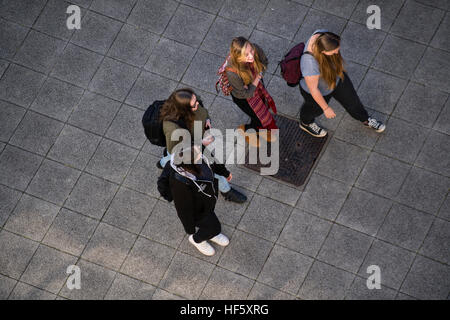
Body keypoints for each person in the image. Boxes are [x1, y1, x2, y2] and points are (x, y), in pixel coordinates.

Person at [157, 88, 247, 203]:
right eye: (194, 104)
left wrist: (207, 119)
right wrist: (202, 143)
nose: (197, 104)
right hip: (190, 151)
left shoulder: (192, 100)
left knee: (169, 158)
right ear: (183, 109)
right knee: (210, 169)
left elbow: (202, 109)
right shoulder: (172, 128)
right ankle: (226, 190)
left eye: (196, 100)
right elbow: (178, 152)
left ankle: (162, 162)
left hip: (195, 143)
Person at [299, 30, 385, 137]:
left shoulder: (322, 34)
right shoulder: (309, 64)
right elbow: (313, 90)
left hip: (335, 78)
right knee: (314, 109)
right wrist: (326, 108)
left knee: (353, 102)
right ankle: (306, 123)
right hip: (318, 91)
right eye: (334, 51)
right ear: (323, 51)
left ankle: (365, 119)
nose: (336, 52)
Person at [157, 145, 229, 256]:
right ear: (191, 163)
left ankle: (209, 232)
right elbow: (183, 209)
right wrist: (190, 229)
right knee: (214, 227)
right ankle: (197, 239)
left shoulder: (192, 158)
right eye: (197, 153)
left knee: (210, 219)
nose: (199, 149)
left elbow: (213, 163)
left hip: (206, 200)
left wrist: (225, 173)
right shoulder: (181, 184)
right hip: (197, 210)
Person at [224, 37, 278, 147]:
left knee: (263, 109)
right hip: (243, 99)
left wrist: (257, 77)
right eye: (246, 55)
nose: (251, 56)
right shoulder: (232, 73)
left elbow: (264, 62)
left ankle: (260, 130)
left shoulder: (255, 49)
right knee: (258, 118)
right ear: (238, 58)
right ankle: (247, 131)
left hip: (257, 88)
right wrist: (257, 78)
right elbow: (246, 94)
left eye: (251, 51)